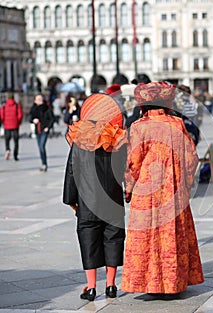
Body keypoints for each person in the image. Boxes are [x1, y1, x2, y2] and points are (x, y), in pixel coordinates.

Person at [121, 81, 204, 294]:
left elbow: (133, 161)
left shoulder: (139, 127)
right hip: (172, 188)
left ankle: (149, 283)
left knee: (147, 233)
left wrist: (129, 187)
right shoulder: (177, 124)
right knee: (171, 232)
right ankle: (173, 282)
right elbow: (191, 157)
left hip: (146, 190)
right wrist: (185, 182)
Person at [63, 93, 128, 301]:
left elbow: (72, 172)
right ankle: (111, 285)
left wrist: (70, 199)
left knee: (88, 239)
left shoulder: (80, 139)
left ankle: (91, 287)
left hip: (87, 200)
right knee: (113, 238)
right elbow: (124, 171)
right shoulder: (117, 139)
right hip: (113, 200)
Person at [30, 94, 54, 172]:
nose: (40, 100)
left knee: (41, 146)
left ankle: (44, 164)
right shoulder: (34, 109)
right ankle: (43, 163)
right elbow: (31, 118)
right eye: (38, 99)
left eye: (41, 99)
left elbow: (52, 118)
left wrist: (48, 127)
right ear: (35, 101)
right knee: (40, 148)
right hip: (38, 130)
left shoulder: (47, 108)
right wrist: (33, 120)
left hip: (44, 130)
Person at [0, 93, 23, 161]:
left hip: (7, 125)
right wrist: (18, 122)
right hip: (15, 124)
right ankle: (15, 155)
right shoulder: (16, 105)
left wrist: (4, 121)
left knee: (7, 139)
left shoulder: (4, 106)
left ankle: (7, 149)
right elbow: (20, 115)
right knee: (16, 140)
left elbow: (1, 115)